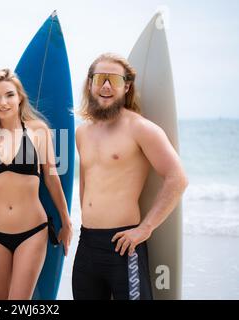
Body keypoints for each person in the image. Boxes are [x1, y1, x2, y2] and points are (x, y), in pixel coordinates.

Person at [72, 53, 188, 300]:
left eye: (113, 80)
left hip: (124, 245)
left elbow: (177, 178)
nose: (105, 86)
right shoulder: (82, 133)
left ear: (126, 87)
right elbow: (85, 180)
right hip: (87, 244)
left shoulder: (140, 128)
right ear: (90, 84)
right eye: (100, 78)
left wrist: (145, 228)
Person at [0, 68, 73, 300]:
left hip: (32, 231)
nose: (3, 102)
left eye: (9, 95)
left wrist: (66, 221)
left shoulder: (37, 130)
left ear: (20, 97)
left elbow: (52, 177)